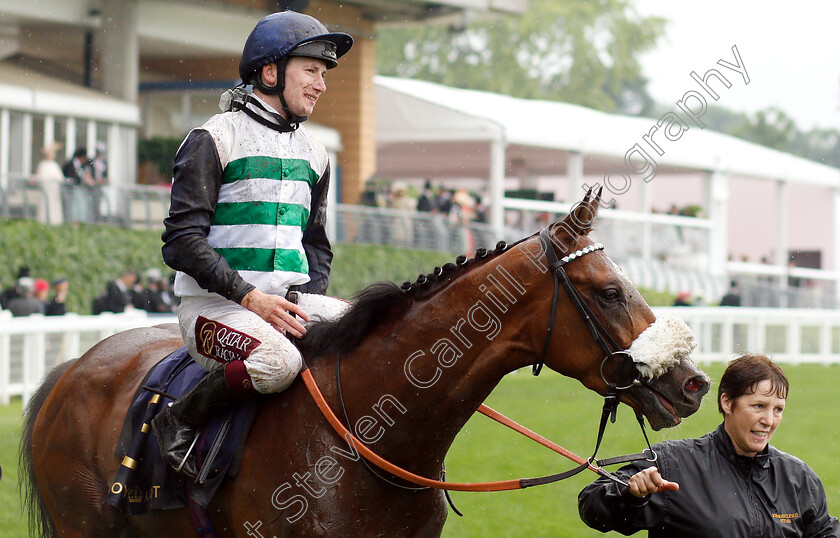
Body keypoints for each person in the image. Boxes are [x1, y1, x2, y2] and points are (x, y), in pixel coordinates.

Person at [153, 10, 354, 478]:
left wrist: (308, 300)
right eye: (311, 70)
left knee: (371, 331)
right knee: (279, 360)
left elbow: (316, 245)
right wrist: (250, 298)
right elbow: (182, 242)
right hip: (213, 309)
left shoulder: (317, 153)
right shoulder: (213, 137)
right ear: (270, 72)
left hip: (284, 303)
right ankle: (178, 419)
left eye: (323, 74)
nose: (320, 84)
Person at [578, 353, 839, 537]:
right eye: (758, 406)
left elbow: (824, 532)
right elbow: (592, 507)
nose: (768, 421)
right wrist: (631, 495)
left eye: (778, 410)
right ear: (727, 403)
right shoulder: (673, 464)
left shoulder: (798, 477)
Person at [34, 141, 65, 225]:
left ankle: (54, 222)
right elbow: (42, 177)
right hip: (47, 190)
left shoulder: (54, 165)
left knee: (54, 207)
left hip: (54, 191)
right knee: (45, 206)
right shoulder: (43, 165)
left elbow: (60, 178)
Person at [61, 147, 93, 222]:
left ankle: (78, 220)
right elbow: (70, 176)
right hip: (70, 190)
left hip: (77, 189)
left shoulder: (82, 165)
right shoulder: (70, 164)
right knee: (72, 207)